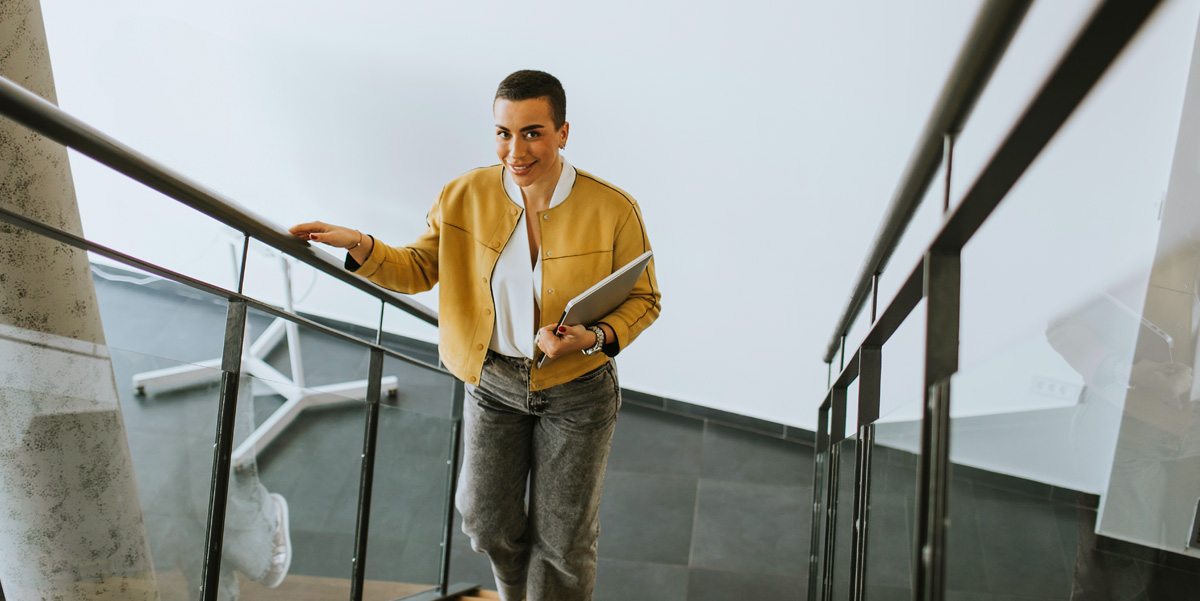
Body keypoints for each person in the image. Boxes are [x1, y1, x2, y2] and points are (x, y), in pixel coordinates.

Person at [289, 69, 661, 601]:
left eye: (532, 132)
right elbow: (418, 268)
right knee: (485, 521)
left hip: (578, 390)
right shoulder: (464, 193)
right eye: (503, 132)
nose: (516, 149)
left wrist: (593, 337)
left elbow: (644, 299)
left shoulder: (613, 208)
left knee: (564, 541)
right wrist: (361, 245)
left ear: (563, 132)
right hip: (492, 382)